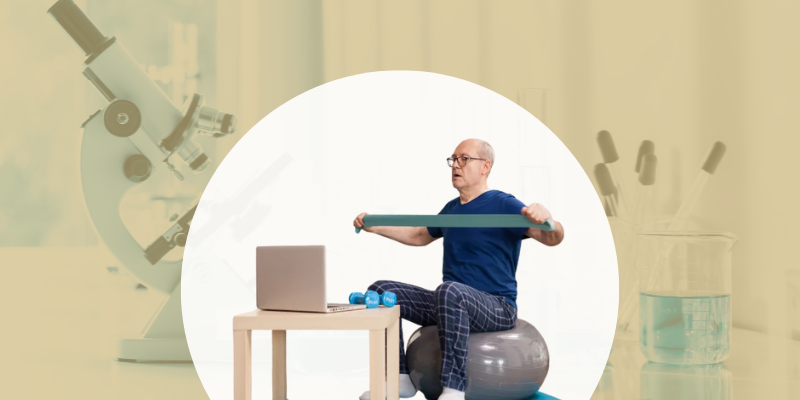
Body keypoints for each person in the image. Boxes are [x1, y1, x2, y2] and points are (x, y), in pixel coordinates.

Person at [353, 138, 565, 400]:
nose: (456, 165)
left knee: (450, 290)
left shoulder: (503, 204)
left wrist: (547, 218)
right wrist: (374, 226)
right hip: (451, 303)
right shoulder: (452, 210)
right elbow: (420, 235)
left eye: (464, 159)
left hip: (497, 307)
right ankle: (400, 378)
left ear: (485, 166)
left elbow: (552, 237)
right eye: (453, 159)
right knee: (383, 290)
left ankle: (454, 388)